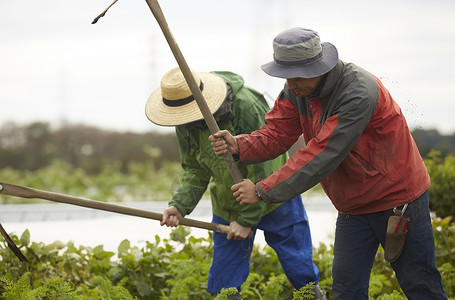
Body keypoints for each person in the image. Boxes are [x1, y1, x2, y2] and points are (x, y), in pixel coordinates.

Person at [209, 27, 448, 299]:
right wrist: (240, 145)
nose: (290, 84)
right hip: (353, 207)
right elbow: (276, 133)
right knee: (346, 290)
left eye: (296, 76)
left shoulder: (358, 92)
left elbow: (322, 154)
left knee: (419, 283)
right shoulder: (296, 91)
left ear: (318, 68)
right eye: (285, 76)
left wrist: (262, 190)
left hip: (397, 201)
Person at [145, 67, 325, 299]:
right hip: (228, 203)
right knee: (224, 279)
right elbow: (195, 169)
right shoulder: (185, 121)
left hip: (275, 197)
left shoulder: (246, 105)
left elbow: (264, 166)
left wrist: (247, 220)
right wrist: (179, 205)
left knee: (299, 266)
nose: (185, 121)